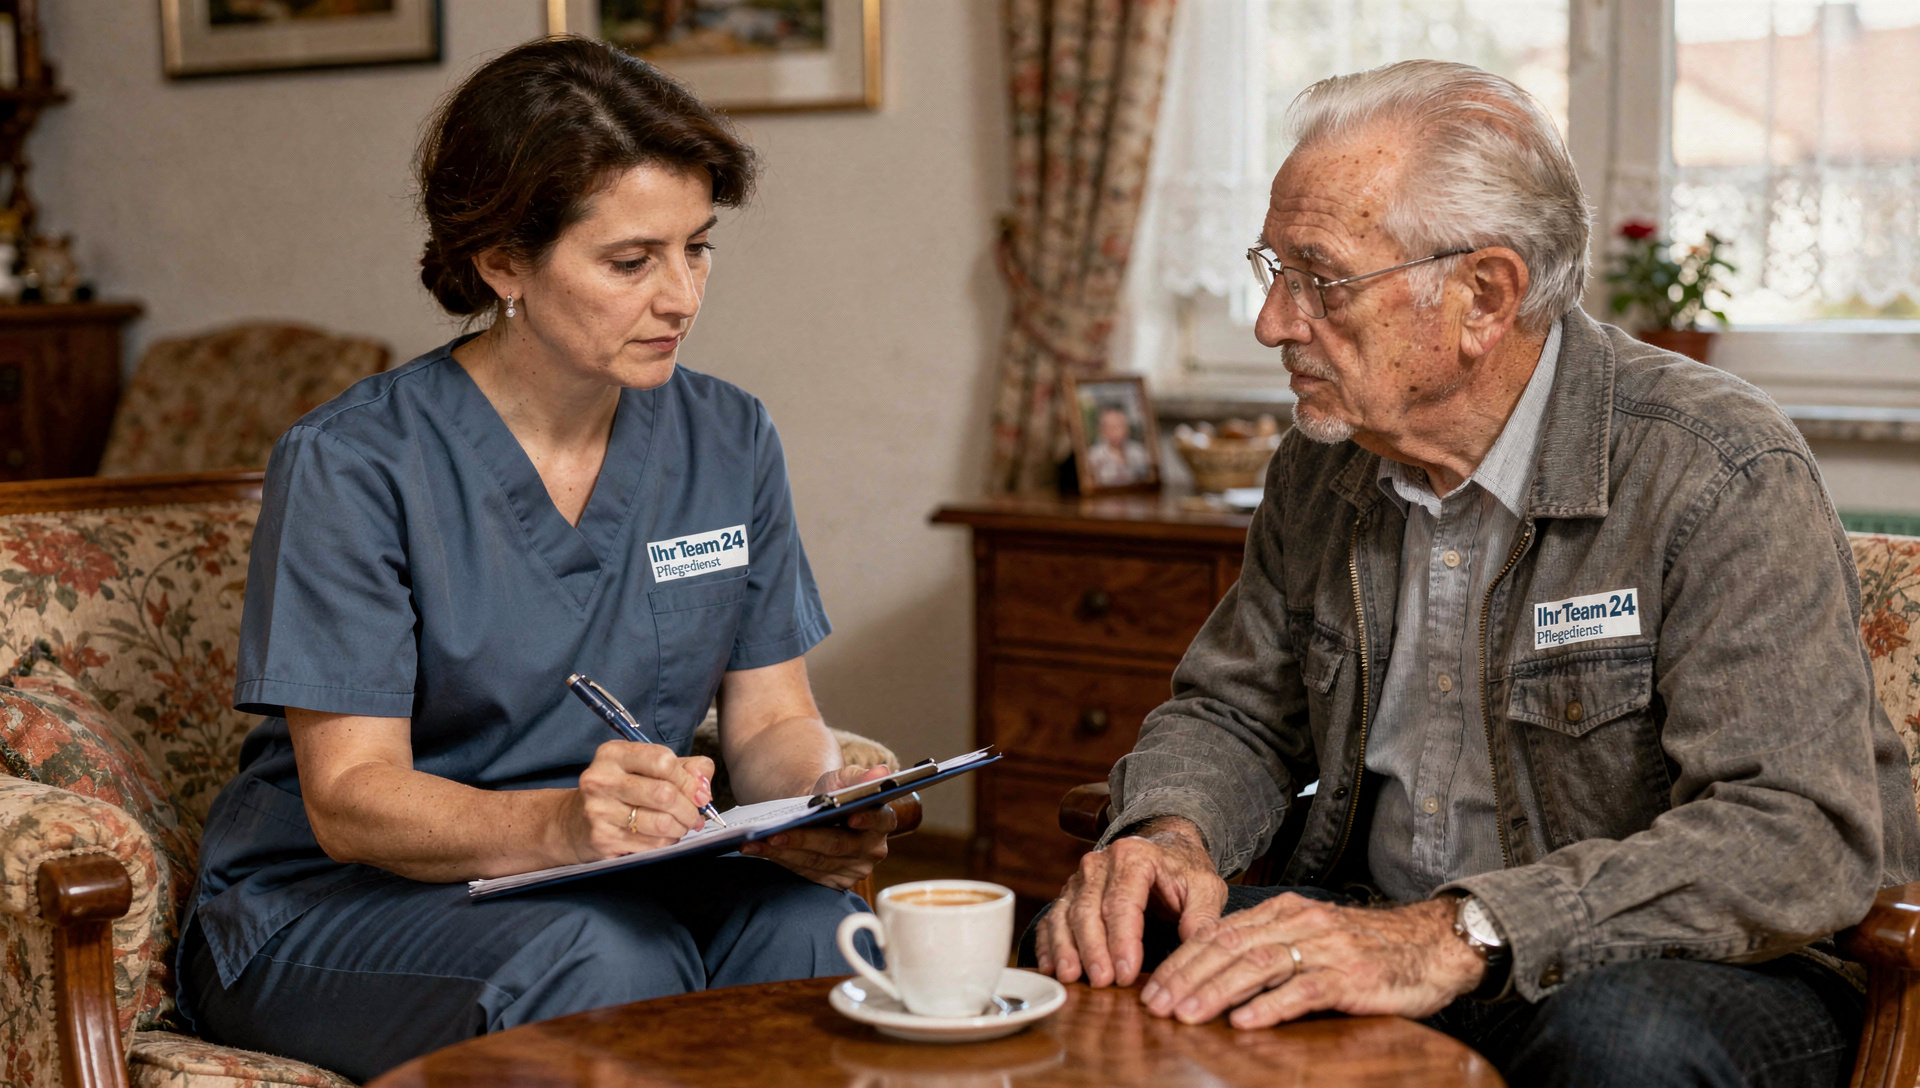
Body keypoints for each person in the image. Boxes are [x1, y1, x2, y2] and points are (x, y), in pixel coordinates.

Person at [1026, 59, 1920, 1087]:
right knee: (1079, 954)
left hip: (1685, 959)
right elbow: (1235, 712)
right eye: (1272, 268)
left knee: (1618, 1048)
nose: (1273, 321)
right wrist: (1170, 833)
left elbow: (1795, 832)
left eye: (1319, 278)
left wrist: (1462, 931)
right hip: (1386, 921)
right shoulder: (1323, 465)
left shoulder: (1714, 468)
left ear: (1484, 296)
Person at [176, 37, 894, 1082]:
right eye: (631, 262)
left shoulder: (730, 437)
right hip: (339, 905)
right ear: (503, 262)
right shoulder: (355, 461)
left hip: (608, 879)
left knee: (819, 934)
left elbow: (771, 720)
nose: (683, 296)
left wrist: (821, 797)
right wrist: (564, 822)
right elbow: (351, 797)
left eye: (697, 247)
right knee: (606, 958)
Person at [1085, 405, 1153, 486]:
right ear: (1102, 430)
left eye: (1120, 426)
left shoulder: (1138, 452)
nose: (1117, 431)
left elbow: (1148, 477)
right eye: (1112, 427)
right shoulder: (1094, 456)